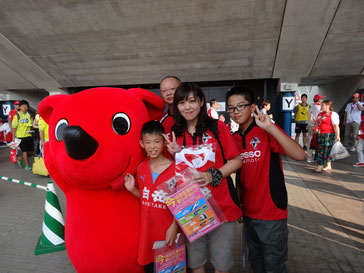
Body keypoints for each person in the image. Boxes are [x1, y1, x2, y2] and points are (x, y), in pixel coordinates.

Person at [164, 82, 242, 273]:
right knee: (196, 263)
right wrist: (176, 152)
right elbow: (180, 171)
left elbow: (237, 161)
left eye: (192, 101)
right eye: (181, 103)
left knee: (221, 265)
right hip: (191, 209)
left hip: (223, 207)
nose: (187, 107)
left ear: (201, 102)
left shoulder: (217, 127)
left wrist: (212, 175)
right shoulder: (176, 133)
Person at [226, 87, 305, 273]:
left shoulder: (266, 131)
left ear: (252, 107)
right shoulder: (234, 139)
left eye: (241, 107)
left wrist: (270, 127)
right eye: (231, 108)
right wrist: (238, 204)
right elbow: (239, 175)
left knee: (274, 265)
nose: (236, 112)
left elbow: (300, 155)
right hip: (248, 213)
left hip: (271, 212)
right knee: (256, 262)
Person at [124, 121, 178, 273]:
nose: (152, 146)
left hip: (168, 231)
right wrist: (131, 189)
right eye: (148, 142)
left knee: (170, 268)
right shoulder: (141, 169)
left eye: (157, 142)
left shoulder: (175, 169)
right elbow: (145, 197)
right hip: (147, 234)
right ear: (141, 143)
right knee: (149, 268)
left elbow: (182, 204)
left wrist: (174, 226)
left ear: (164, 142)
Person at [313, 100, 340, 173]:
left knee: (324, 150)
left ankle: (320, 166)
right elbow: (318, 124)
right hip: (320, 135)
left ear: (328, 106)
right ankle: (328, 165)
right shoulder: (320, 114)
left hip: (328, 135)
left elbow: (336, 126)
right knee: (322, 150)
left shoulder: (333, 114)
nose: (321, 107)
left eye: (323, 105)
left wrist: (338, 136)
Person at [11, 100, 34, 170]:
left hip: (29, 135)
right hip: (20, 136)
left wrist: (32, 129)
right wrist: (13, 137)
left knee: (30, 152)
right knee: (24, 151)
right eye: (23, 106)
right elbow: (14, 127)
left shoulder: (29, 115)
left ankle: (20, 158)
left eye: (26, 106)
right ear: (20, 107)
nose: (25, 108)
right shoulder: (17, 116)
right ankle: (27, 165)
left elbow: (31, 125)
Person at [307, 94, 325, 162]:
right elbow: (319, 118)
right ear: (319, 100)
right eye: (321, 99)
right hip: (316, 126)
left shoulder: (311, 106)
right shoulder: (319, 108)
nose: (322, 100)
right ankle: (317, 158)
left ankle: (309, 158)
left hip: (310, 125)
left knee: (310, 141)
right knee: (318, 142)